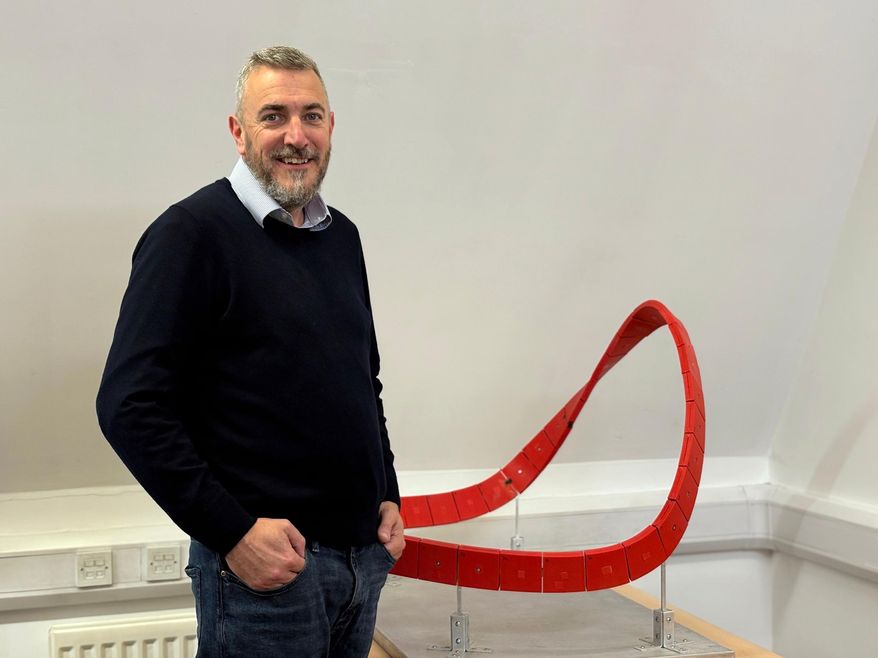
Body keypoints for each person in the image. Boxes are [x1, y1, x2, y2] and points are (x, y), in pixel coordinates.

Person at [96, 46, 404, 657]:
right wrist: (232, 532)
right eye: (274, 116)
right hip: (263, 578)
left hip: (359, 565)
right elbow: (128, 406)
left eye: (311, 115)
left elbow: (360, 381)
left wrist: (386, 489)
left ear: (331, 126)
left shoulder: (341, 237)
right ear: (239, 132)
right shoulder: (189, 235)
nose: (297, 136)